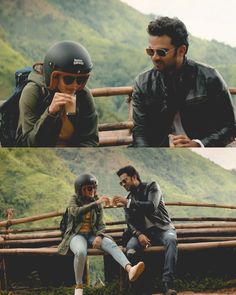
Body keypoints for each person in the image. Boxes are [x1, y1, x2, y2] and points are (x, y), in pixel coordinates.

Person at [131, 16, 236, 147]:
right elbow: (140, 133)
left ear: (181, 50)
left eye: (161, 52)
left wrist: (199, 145)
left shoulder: (209, 77)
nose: (154, 57)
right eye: (150, 51)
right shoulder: (143, 83)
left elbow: (230, 127)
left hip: (204, 154)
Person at [58, 173, 145, 295]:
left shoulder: (96, 202)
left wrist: (99, 236)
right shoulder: (75, 200)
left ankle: (130, 269)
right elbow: (75, 212)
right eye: (89, 188)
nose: (93, 190)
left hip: (92, 235)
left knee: (111, 245)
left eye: (94, 187)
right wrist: (96, 203)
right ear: (80, 190)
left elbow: (101, 224)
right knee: (80, 252)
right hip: (76, 235)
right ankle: (78, 287)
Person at [16, 40, 99, 147]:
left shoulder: (83, 94)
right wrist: (50, 113)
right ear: (54, 77)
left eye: (80, 80)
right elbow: (29, 143)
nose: (75, 85)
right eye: (68, 79)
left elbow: (91, 139)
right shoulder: (33, 92)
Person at [113, 165, 178, 295]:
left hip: (163, 228)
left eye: (125, 180)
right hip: (144, 233)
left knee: (171, 240)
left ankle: (167, 284)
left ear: (134, 177)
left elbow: (151, 206)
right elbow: (130, 222)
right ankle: (142, 288)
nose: (123, 184)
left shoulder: (152, 186)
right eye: (121, 182)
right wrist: (139, 234)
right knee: (130, 249)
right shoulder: (129, 197)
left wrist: (129, 203)